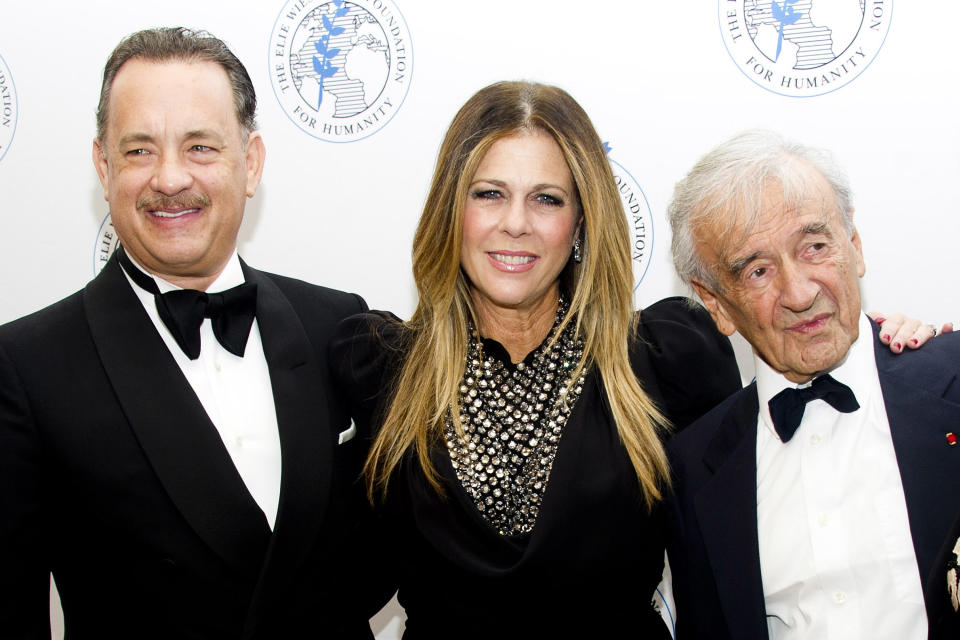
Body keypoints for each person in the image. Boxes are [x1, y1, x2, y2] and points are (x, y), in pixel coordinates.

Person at [0, 27, 389, 638]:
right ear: (103, 167)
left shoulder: (339, 326)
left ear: (250, 162)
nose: (170, 177)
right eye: (139, 151)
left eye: (201, 147)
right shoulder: (25, 367)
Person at [330, 80, 743, 637]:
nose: (516, 223)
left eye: (546, 198)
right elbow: (328, 583)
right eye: (489, 193)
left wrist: (872, 353)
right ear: (452, 210)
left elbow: (748, 552)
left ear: (579, 223)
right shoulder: (379, 368)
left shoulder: (664, 361)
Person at [664, 129, 960, 640]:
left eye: (815, 246)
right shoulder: (691, 471)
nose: (799, 293)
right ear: (714, 302)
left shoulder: (952, 383)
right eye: (757, 271)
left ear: (856, 247)